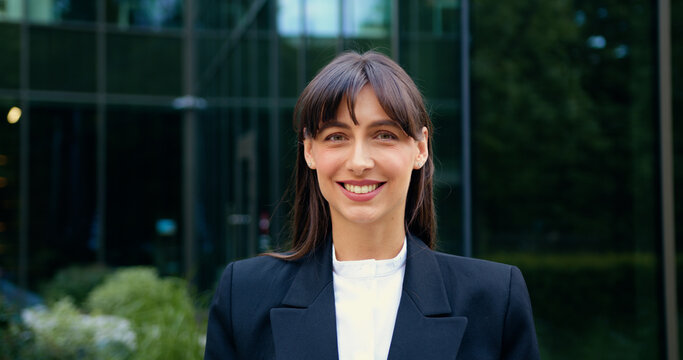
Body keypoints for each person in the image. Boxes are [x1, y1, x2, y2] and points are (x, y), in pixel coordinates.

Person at [204, 51, 540, 360]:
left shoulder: (495, 299)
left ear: (420, 148)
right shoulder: (245, 295)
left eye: (384, 135)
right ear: (309, 151)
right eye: (337, 137)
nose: (360, 161)